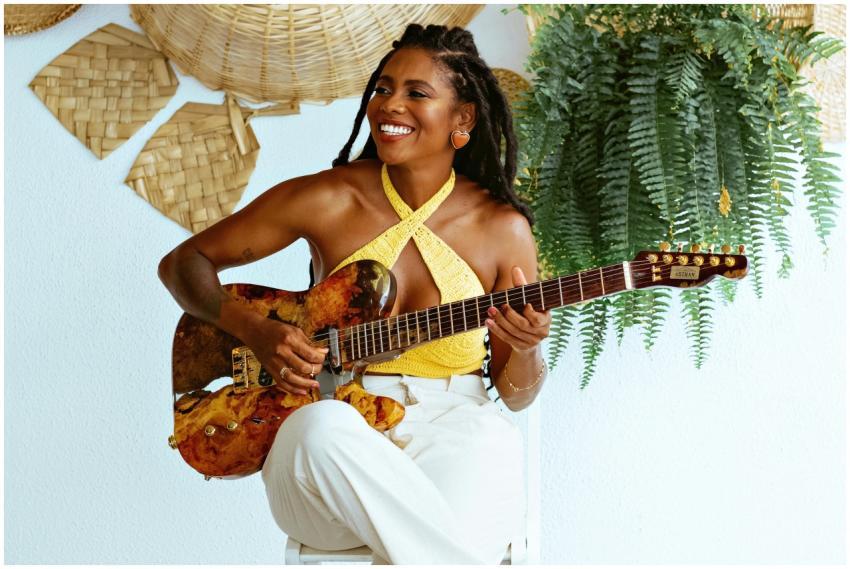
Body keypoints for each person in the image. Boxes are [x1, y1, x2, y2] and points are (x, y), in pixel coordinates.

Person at [158, 23, 551, 564]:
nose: (389, 105)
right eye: (383, 88)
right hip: (327, 443)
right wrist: (256, 330)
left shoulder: (501, 230)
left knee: (495, 442)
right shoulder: (328, 198)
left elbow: (515, 395)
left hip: (454, 431)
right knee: (319, 428)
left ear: (462, 119)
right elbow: (183, 264)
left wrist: (527, 347)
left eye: (417, 93)